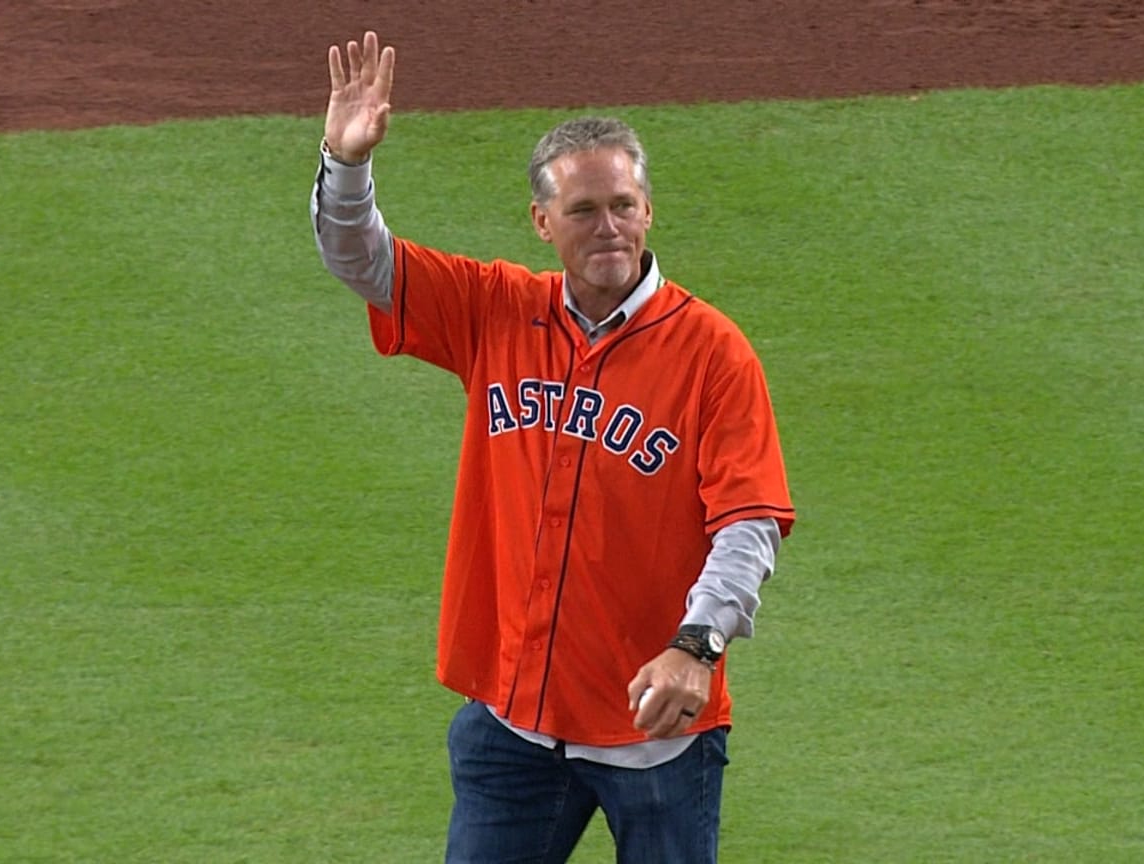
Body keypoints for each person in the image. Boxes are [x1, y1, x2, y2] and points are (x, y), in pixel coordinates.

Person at [311, 30, 795, 863]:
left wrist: (697, 646)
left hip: (655, 736)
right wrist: (346, 165)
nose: (608, 228)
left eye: (623, 206)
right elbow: (364, 262)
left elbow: (749, 523)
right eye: (583, 211)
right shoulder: (496, 310)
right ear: (542, 222)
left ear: (648, 210)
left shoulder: (713, 352)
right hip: (513, 730)